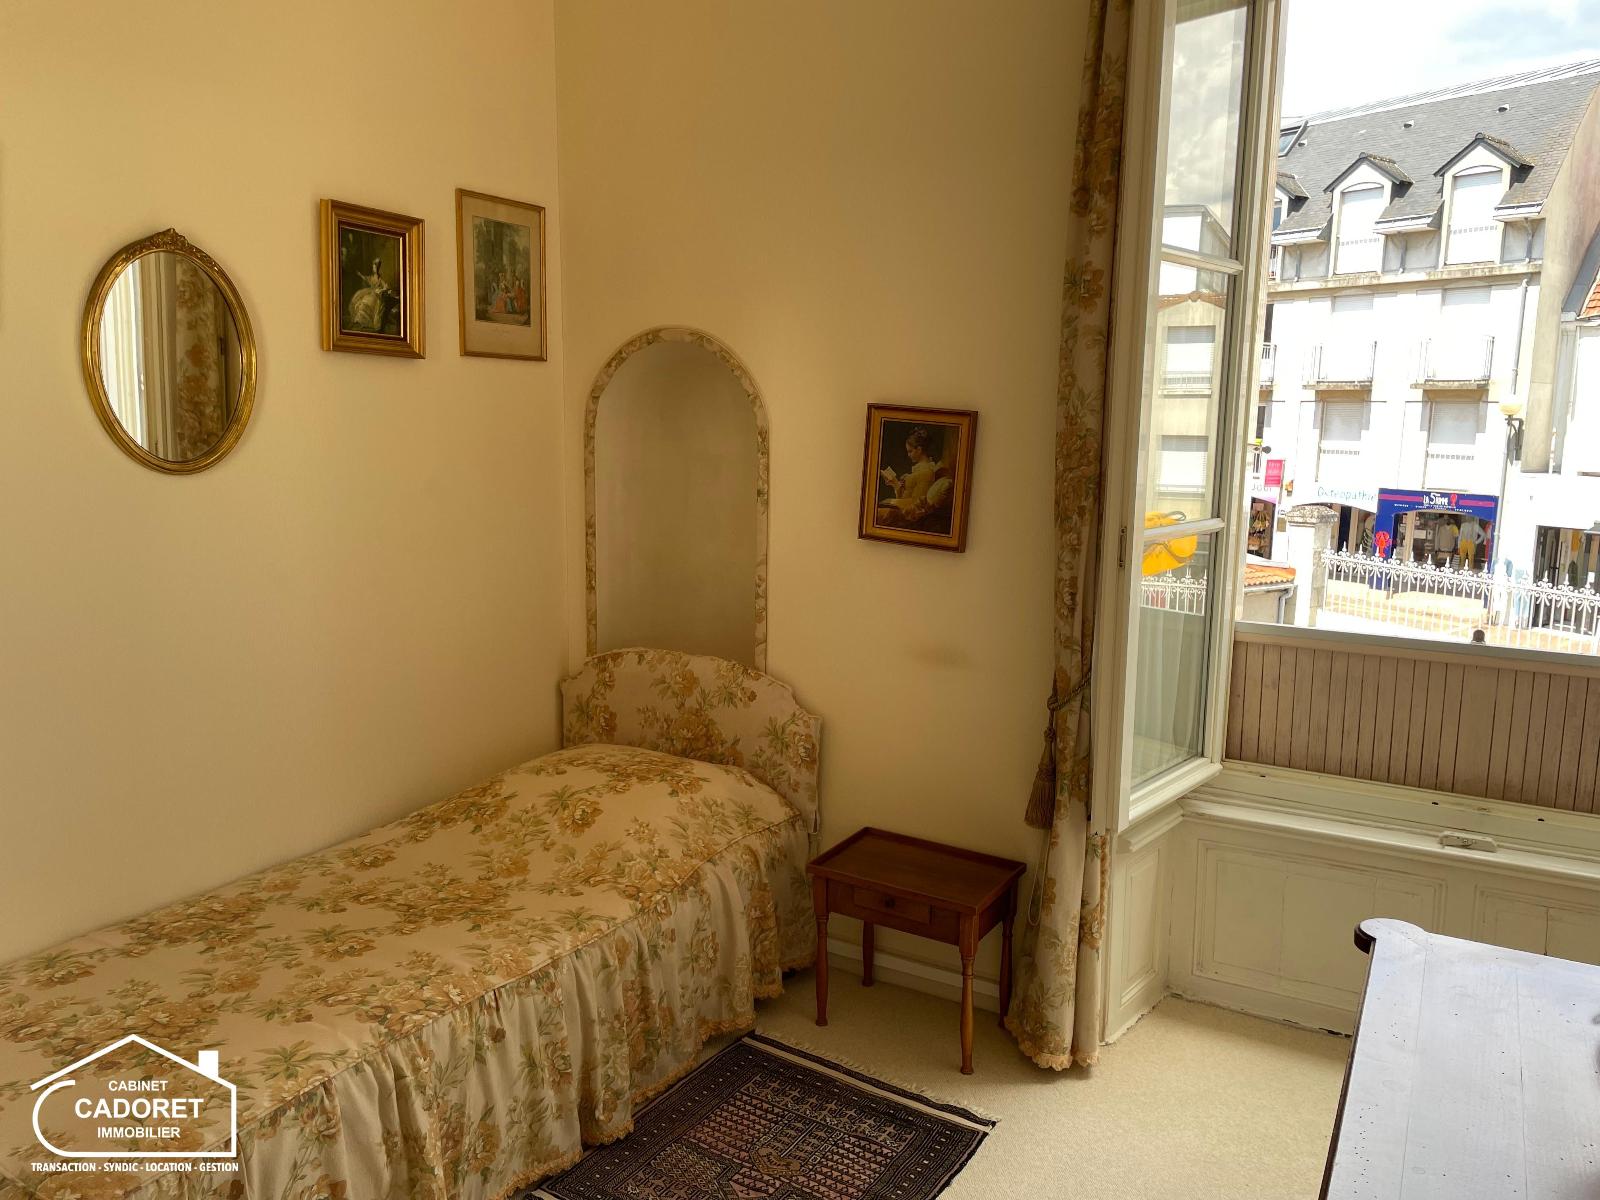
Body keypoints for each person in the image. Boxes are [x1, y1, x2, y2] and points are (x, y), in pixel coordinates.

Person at [347, 259, 391, 332]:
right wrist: (360, 275)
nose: (374, 269)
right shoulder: (372, 277)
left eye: (376, 267)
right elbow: (366, 278)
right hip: (370, 292)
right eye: (374, 267)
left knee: (368, 302)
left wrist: (382, 289)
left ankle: (366, 322)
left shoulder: (380, 279)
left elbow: (386, 287)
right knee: (361, 301)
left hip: (375, 295)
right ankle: (359, 320)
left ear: (378, 268)